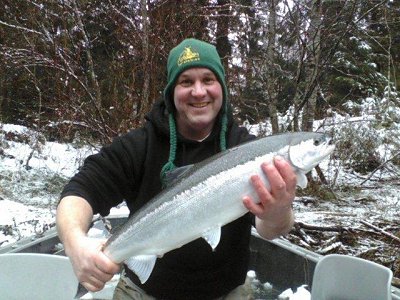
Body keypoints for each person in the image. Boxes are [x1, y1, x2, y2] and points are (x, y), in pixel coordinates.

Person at [56, 38, 296, 300]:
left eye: (208, 79)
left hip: (227, 293)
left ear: (222, 88)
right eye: (186, 82)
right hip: (143, 292)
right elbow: (80, 190)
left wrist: (279, 212)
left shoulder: (248, 151)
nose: (198, 91)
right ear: (171, 91)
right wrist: (75, 243)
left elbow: (270, 229)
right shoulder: (139, 145)